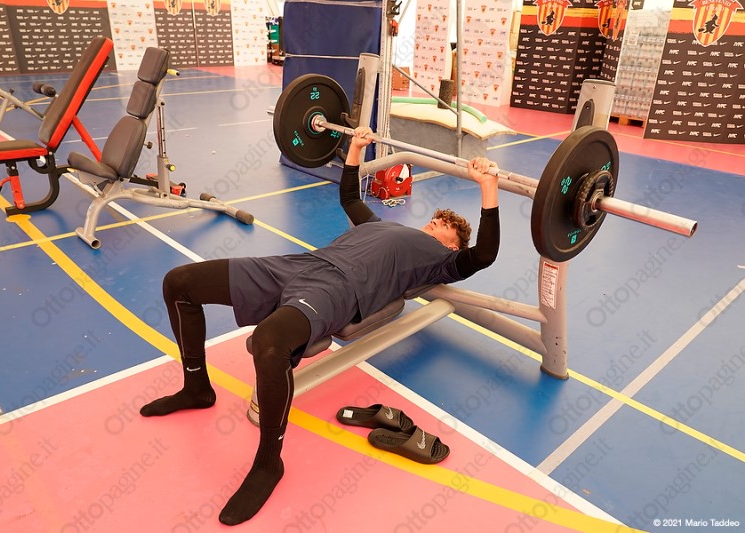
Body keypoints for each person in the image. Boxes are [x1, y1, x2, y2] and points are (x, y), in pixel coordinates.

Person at [138, 126, 501, 525]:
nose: (433, 224)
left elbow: (483, 255)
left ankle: (269, 461)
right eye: (433, 220)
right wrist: (355, 148)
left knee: (270, 341)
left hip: (340, 290)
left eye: (442, 227)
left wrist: (488, 186)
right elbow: (350, 198)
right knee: (180, 282)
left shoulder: (440, 261)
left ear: (452, 245)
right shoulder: (383, 226)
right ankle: (196, 388)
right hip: (302, 264)